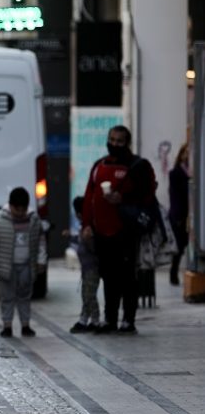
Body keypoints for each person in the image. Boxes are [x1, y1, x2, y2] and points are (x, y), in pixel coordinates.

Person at [81, 125, 157, 334]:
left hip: (126, 232)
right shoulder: (98, 166)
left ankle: (128, 319)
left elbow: (147, 195)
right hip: (101, 233)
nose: (114, 144)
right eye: (112, 140)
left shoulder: (137, 166)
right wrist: (86, 225)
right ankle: (110, 319)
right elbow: (89, 197)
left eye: (119, 141)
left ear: (127, 143)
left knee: (127, 277)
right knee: (108, 276)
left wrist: (122, 198)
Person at [0, 187, 47, 338]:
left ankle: (26, 325)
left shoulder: (34, 219)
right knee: (7, 297)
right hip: (5, 265)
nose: (19, 213)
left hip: (26, 265)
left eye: (22, 209)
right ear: (10, 205)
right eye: (16, 209)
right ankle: (7, 326)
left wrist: (41, 260)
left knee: (25, 296)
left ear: (27, 207)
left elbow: (41, 242)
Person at [68, 196, 101, 333]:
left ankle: (95, 320)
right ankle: (84, 319)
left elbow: (94, 248)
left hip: (92, 268)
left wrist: (88, 239)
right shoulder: (85, 228)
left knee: (89, 295)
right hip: (86, 269)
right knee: (86, 294)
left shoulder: (90, 229)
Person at [168, 143, 190, 286]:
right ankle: (173, 272)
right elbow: (174, 196)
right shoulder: (175, 173)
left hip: (189, 214)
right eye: (186, 152)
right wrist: (178, 216)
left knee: (185, 243)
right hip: (180, 215)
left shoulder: (194, 170)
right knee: (180, 246)